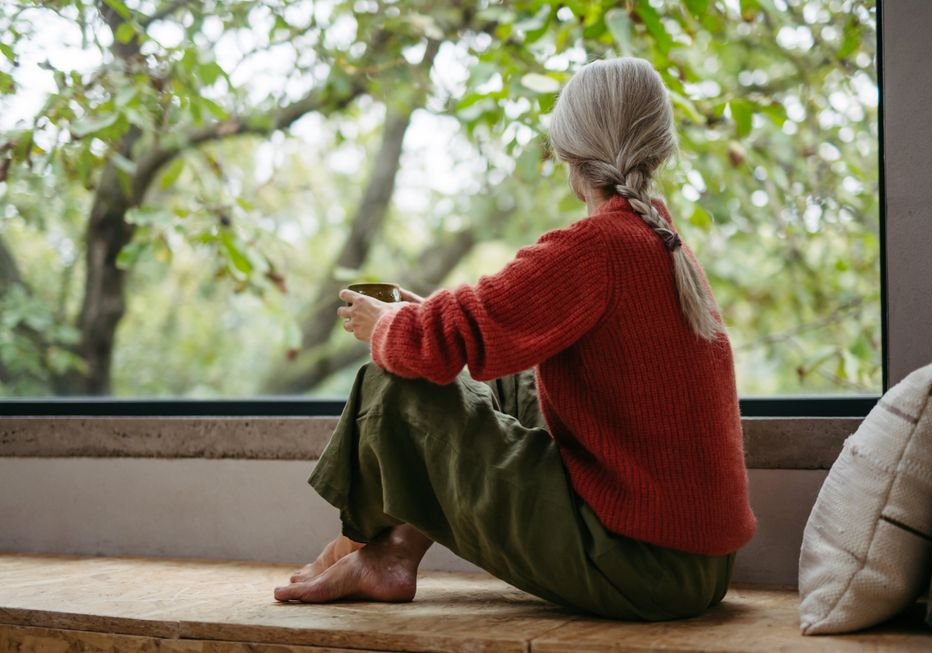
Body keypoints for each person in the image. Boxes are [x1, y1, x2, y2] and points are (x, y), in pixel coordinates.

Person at [273, 57, 756, 620]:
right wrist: (425, 315)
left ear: (567, 150)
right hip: (700, 564)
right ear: (660, 144)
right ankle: (395, 553)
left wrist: (386, 326)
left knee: (395, 384)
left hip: (638, 566)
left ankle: (359, 548)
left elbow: (438, 344)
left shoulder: (598, 245)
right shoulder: (661, 241)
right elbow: (491, 328)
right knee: (513, 373)